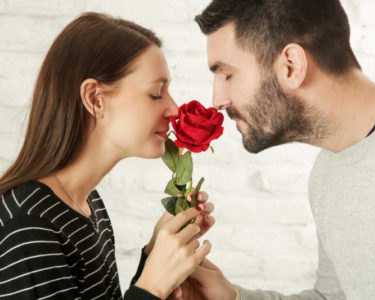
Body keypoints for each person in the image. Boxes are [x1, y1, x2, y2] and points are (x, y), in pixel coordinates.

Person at [169, 0, 375, 299]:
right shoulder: (327, 172)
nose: (218, 100)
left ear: (291, 65)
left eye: (227, 75)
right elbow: (333, 297)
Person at [0, 12, 215, 300]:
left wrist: (153, 256)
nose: (175, 109)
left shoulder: (89, 205)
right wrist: (152, 286)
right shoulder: (29, 225)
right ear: (95, 99)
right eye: (156, 93)